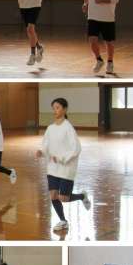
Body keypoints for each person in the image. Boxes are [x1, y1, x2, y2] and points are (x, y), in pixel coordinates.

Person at [36, 98, 91, 232]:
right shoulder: (50, 128)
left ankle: (82, 196)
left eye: (58, 107)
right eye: (53, 108)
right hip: (52, 167)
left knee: (64, 198)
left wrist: (62, 158)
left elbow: (76, 148)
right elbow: (45, 144)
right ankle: (63, 221)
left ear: (65, 109)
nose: (55, 110)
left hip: (66, 167)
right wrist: (41, 151)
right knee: (53, 196)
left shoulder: (68, 128)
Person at [83, 0, 119, 75]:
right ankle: (99, 60)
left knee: (109, 42)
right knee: (92, 40)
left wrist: (102, 1)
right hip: (93, 16)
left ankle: (110, 62)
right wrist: (85, 4)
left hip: (107, 17)